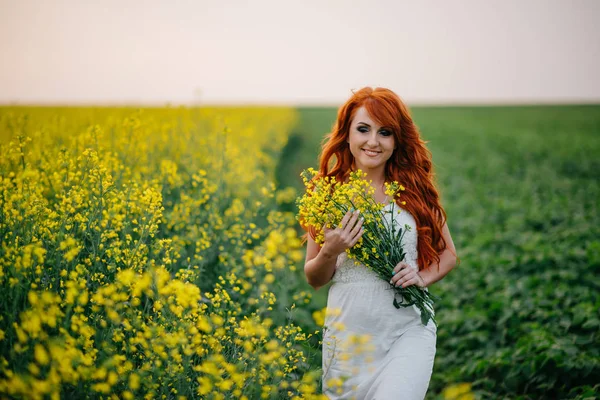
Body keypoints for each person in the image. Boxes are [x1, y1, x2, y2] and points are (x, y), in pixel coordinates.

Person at [302, 87, 458, 399]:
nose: (373, 141)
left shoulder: (414, 190)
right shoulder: (327, 196)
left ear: (397, 140)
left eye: (385, 132)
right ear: (347, 134)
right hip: (348, 340)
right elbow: (314, 278)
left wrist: (421, 276)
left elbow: (448, 254)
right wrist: (331, 251)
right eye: (364, 129)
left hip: (408, 331)